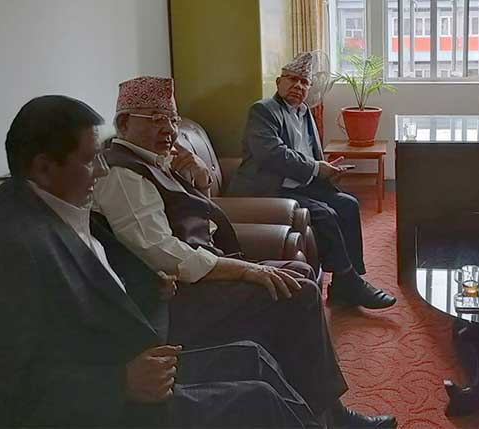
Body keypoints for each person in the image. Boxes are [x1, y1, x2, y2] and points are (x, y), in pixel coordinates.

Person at [0, 95, 320, 428]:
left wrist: (146, 282)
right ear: (43, 167)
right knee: (257, 398)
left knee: (253, 357)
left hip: (141, 349)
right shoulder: (8, 245)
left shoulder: (61, 204)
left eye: (171, 119)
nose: (101, 169)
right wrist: (120, 384)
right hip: (115, 398)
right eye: (90, 160)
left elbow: (92, 278)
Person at [93, 77, 397, 428]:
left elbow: (195, 218)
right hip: (176, 298)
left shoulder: (156, 160)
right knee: (298, 292)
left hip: (203, 272)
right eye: (155, 119)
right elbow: (163, 253)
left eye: (172, 119)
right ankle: (334, 417)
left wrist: (200, 179)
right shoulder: (123, 175)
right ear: (124, 123)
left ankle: (315, 409)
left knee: (297, 273)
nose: (169, 129)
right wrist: (245, 270)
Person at [228, 53, 397, 310]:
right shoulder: (263, 111)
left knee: (348, 204)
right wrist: (318, 169)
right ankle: (349, 283)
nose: (298, 86)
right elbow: (273, 155)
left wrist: (329, 170)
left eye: (304, 82)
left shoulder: (305, 112)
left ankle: (346, 281)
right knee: (325, 214)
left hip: (301, 184)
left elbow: (309, 154)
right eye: (292, 79)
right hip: (270, 189)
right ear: (278, 82)